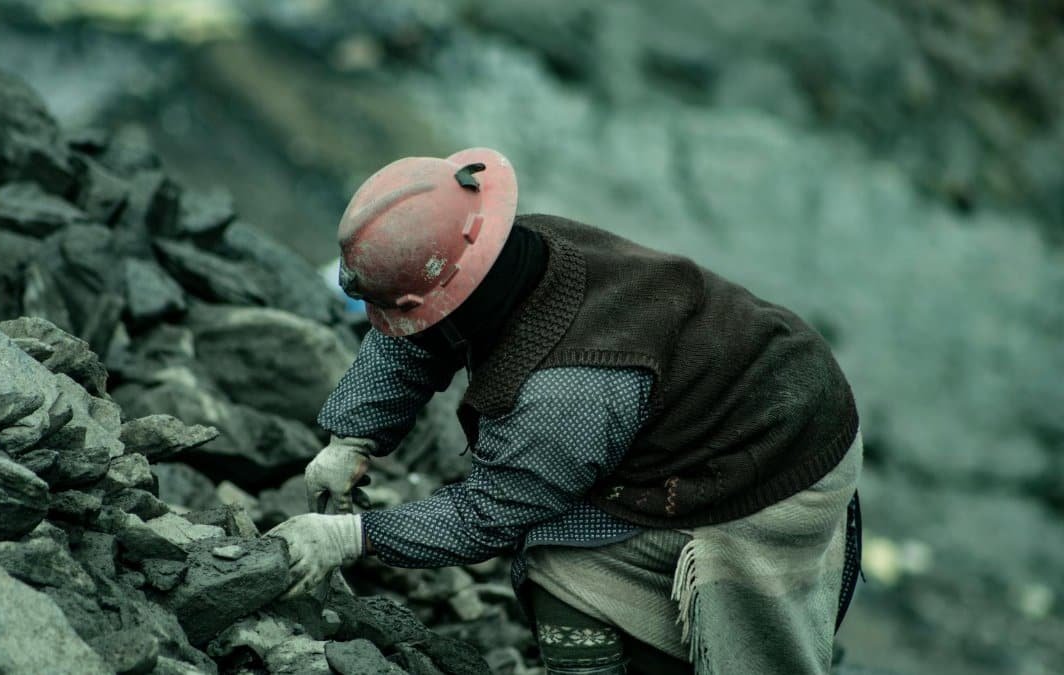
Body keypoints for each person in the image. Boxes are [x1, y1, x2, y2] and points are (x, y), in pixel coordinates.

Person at [265, 148, 863, 675]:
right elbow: (417, 332)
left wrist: (350, 537)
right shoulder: (505, 249)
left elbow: (487, 517)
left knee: (556, 564)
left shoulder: (564, 393)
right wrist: (353, 438)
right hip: (748, 375)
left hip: (776, 451)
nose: (399, 327)